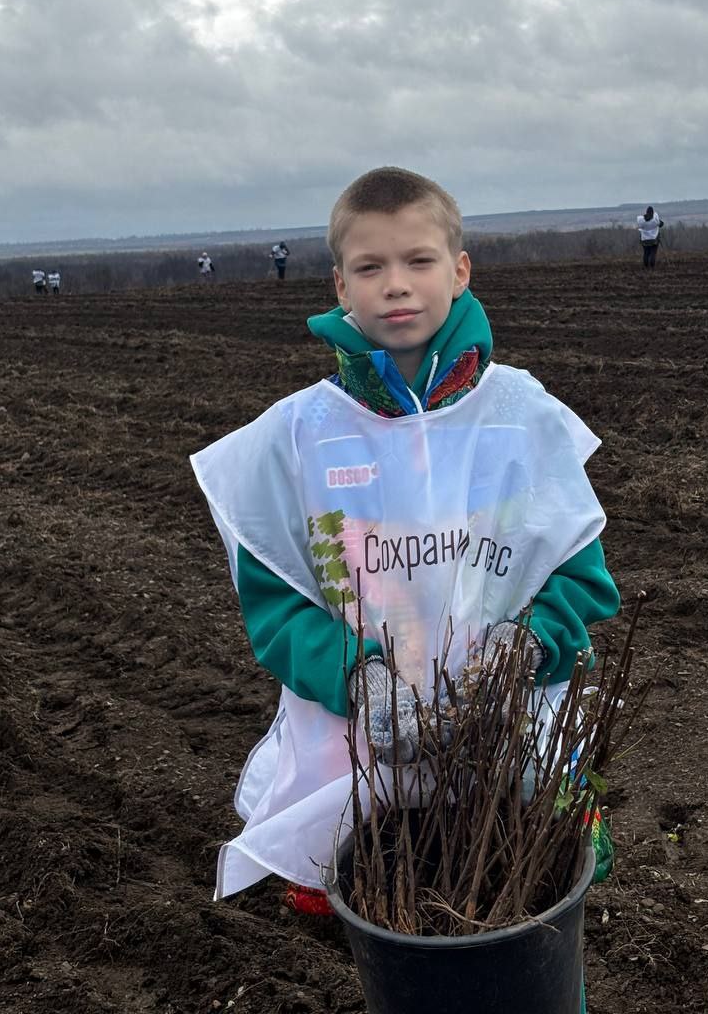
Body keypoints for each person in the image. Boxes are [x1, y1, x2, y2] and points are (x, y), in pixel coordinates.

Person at [190, 167, 621, 924]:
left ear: (459, 271)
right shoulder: (297, 438)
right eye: (370, 267)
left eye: (418, 261)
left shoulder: (521, 417)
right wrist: (363, 680)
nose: (396, 284)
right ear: (338, 285)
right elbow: (276, 609)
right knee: (388, 932)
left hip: (507, 743)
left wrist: (528, 649)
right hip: (364, 758)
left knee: (527, 928)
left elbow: (582, 580)